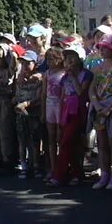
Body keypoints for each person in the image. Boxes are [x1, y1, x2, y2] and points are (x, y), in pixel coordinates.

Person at [88, 34, 112, 189]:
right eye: (101, 47)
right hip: (100, 109)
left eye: (106, 48)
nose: (102, 50)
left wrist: (110, 107)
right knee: (102, 143)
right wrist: (97, 105)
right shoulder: (97, 68)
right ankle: (104, 174)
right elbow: (92, 89)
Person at [49, 45, 92, 187]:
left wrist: (73, 77)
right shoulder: (64, 77)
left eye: (72, 59)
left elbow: (81, 93)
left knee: (66, 142)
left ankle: (58, 175)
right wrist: (61, 115)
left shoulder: (86, 74)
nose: (69, 62)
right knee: (71, 143)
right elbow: (62, 96)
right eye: (67, 59)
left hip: (79, 110)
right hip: (67, 110)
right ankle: (76, 173)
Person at [13, 51, 43, 179]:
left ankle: (36, 165)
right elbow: (16, 94)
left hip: (33, 113)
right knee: (22, 141)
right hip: (20, 113)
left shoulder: (39, 79)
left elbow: (39, 97)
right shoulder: (19, 79)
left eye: (28, 63)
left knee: (34, 141)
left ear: (35, 64)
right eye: (23, 63)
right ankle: (24, 165)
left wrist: (27, 103)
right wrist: (15, 100)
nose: (25, 66)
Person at [41, 47, 65, 180]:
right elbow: (44, 93)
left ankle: (61, 167)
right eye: (47, 59)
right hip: (50, 104)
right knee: (51, 139)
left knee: (60, 138)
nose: (49, 62)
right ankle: (52, 167)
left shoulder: (64, 73)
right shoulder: (47, 73)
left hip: (60, 105)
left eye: (52, 59)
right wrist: (42, 112)